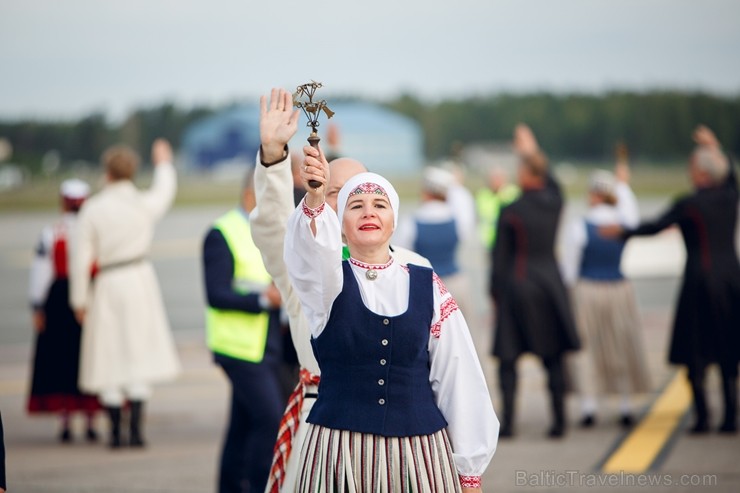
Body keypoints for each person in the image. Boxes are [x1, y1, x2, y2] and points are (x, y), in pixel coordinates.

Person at [283, 138, 498, 491]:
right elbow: (307, 251)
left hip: (420, 453)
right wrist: (316, 199)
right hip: (341, 453)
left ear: (394, 221)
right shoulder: (327, 283)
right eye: (355, 205)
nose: (369, 212)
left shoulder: (424, 281)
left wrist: (469, 466)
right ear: (338, 223)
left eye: (379, 204)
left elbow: (457, 372)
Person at [251, 88, 431, 493]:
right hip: (323, 428)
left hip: (400, 436)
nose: (353, 201)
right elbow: (272, 223)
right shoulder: (305, 268)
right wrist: (274, 155)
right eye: (335, 192)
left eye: (364, 192)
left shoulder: (414, 270)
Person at [602, 125, 740, 434]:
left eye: (692, 168)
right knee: (729, 350)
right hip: (731, 280)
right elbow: (731, 177)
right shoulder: (730, 197)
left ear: (703, 173)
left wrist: (623, 231)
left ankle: (703, 416)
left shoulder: (691, 204)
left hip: (700, 282)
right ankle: (731, 415)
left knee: (696, 353)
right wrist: (717, 147)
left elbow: (654, 226)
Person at [69, 139, 181, 448]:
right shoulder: (141, 202)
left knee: (109, 356)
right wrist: (163, 163)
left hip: (107, 282)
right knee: (138, 353)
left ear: (107, 172)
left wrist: (79, 299)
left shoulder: (92, 208)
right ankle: (136, 433)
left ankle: (116, 432)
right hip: (139, 278)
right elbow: (164, 192)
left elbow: (80, 260)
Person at [489, 124, 580, 439]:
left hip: (517, 284)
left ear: (528, 174)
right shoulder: (554, 202)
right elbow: (554, 184)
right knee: (553, 357)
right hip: (550, 284)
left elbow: (499, 260)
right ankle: (559, 422)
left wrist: (495, 295)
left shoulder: (510, 210)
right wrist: (532, 149)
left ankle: (510, 423)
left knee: (509, 359)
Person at [202, 167, 286, 493]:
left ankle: (229, 487)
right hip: (238, 347)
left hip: (265, 344)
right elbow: (216, 293)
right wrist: (264, 297)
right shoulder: (223, 232)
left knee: (242, 425)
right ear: (251, 194)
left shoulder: (263, 231)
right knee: (269, 419)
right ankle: (256, 485)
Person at [561, 153, 651, 428]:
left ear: (594, 194)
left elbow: (569, 268)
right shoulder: (623, 224)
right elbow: (631, 212)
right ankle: (624, 404)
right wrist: (623, 185)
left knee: (587, 346)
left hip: (588, 288)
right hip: (618, 287)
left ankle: (589, 406)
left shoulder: (580, 226)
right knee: (621, 343)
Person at [27, 178, 101, 443]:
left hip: (59, 300)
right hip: (89, 298)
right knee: (87, 358)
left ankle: (66, 419)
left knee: (62, 359)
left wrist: (37, 306)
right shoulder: (93, 231)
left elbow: (40, 273)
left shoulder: (52, 232)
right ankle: (92, 419)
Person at [394, 166, 473, 319]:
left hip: (425, 284)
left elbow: (399, 252)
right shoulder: (457, 221)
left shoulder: (411, 222)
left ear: (426, 192)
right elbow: (465, 206)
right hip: (454, 282)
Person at [475, 165, 520, 250]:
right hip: (489, 240)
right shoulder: (482, 195)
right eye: (493, 178)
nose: (495, 181)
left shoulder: (512, 193)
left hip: (508, 240)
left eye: (498, 178)